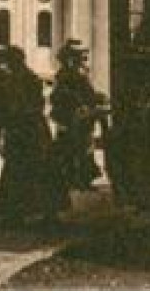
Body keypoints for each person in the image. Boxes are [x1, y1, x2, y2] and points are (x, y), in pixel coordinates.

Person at [0, 47, 67, 227]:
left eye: (10, 62)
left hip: (29, 130)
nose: (8, 65)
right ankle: (19, 213)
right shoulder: (16, 79)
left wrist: (15, 115)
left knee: (33, 170)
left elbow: (35, 105)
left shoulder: (28, 80)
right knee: (23, 171)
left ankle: (42, 214)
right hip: (24, 130)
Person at [49, 40, 100, 192]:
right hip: (69, 116)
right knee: (71, 147)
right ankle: (72, 179)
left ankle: (81, 178)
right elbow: (58, 96)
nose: (83, 59)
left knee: (83, 147)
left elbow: (88, 92)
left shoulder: (79, 73)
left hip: (81, 115)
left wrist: (94, 98)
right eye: (80, 56)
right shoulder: (64, 75)